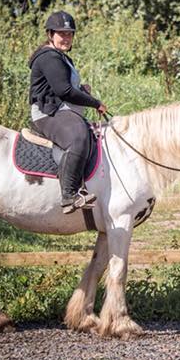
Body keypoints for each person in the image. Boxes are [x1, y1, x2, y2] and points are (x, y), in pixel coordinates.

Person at [28, 11, 107, 214]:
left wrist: (82, 92)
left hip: (59, 109)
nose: (66, 38)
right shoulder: (49, 57)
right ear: (50, 34)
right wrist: (94, 102)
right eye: (61, 34)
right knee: (78, 137)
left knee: (88, 133)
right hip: (47, 113)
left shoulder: (61, 57)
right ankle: (70, 195)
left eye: (69, 34)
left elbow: (65, 89)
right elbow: (64, 91)